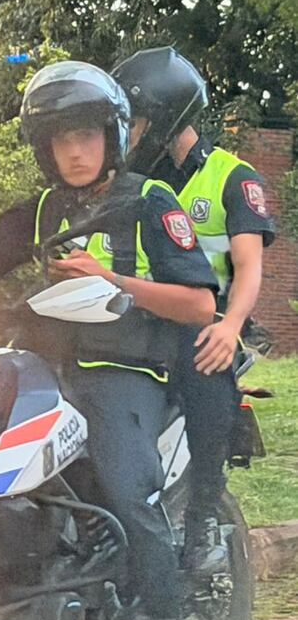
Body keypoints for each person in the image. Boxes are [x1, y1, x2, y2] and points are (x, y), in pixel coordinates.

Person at [0, 61, 218, 620]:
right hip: (43, 373)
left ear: (112, 135)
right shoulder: (41, 210)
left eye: (85, 135)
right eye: (58, 139)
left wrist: (113, 278)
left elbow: (196, 302)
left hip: (124, 376)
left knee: (129, 493)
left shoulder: (149, 201)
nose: (72, 150)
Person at [112, 47, 276, 577]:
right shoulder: (135, 183)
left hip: (206, 325)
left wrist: (230, 327)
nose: (127, 133)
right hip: (144, 318)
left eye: (134, 121)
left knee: (203, 360)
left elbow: (248, 266)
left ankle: (204, 514)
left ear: (163, 117)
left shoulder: (232, 176)